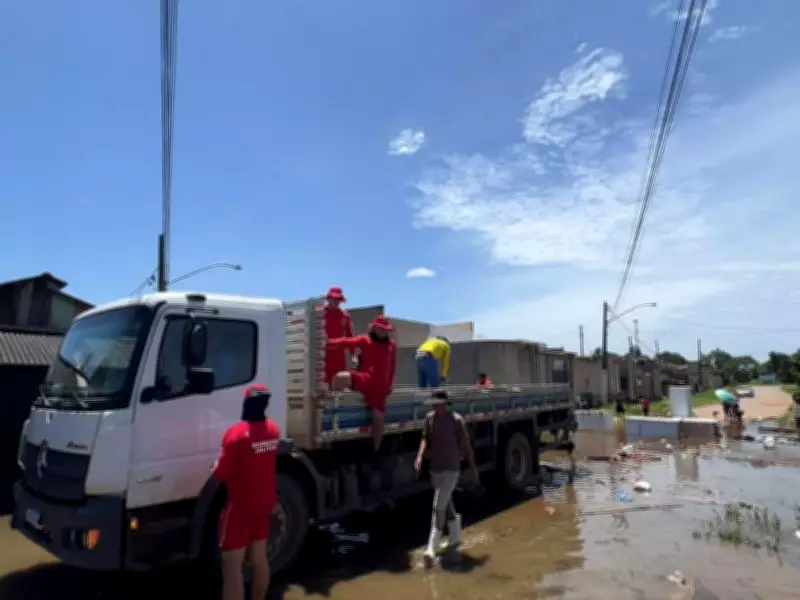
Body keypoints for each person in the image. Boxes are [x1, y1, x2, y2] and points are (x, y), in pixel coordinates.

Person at [212, 384, 281, 600]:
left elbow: (219, 474)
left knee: (232, 566)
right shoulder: (273, 430)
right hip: (265, 502)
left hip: (240, 507)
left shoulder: (235, 435)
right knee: (259, 559)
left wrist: (214, 466)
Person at [414, 390, 479, 565]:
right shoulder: (429, 418)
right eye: (433, 404)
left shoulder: (457, 420)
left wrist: (473, 469)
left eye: (437, 404)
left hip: (452, 469)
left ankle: (431, 548)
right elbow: (425, 438)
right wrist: (420, 456)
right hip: (436, 470)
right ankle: (455, 538)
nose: (435, 407)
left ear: (445, 404)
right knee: (445, 502)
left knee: (438, 506)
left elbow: (466, 446)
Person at [328, 315, 397, 451]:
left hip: (380, 386)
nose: (382, 331)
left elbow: (393, 366)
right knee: (339, 377)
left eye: (385, 329)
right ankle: (331, 407)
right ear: (374, 328)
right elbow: (345, 342)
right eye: (379, 328)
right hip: (366, 378)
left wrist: (389, 385)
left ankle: (375, 451)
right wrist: (328, 342)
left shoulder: (392, 345)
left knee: (378, 419)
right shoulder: (366, 339)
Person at [323, 286, 354, 386]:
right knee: (321, 385)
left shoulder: (345, 316)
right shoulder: (319, 313)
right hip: (321, 355)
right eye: (334, 298)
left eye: (338, 299)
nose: (336, 301)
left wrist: (353, 355)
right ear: (329, 298)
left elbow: (350, 336)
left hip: (338, 357)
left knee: (337, 385)